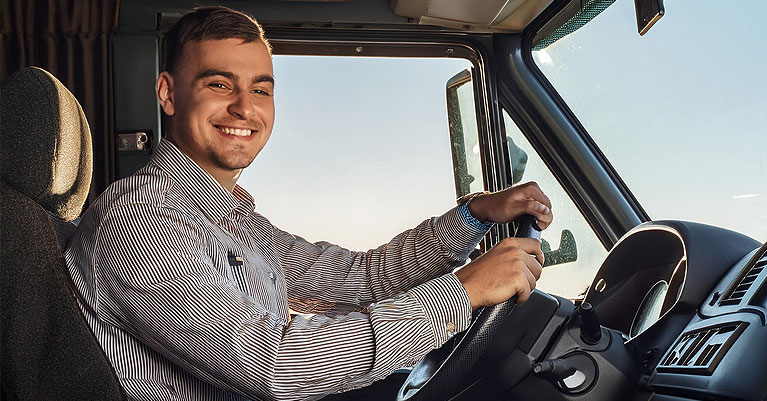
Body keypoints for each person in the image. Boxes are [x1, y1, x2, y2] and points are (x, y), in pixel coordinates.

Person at [65, 6, 553, 401]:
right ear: (169, 95)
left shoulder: (232, 219)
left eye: (260, 90)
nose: (244, 107)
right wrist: (463, 292)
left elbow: (361, 276)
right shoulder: (138, 217)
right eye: (219, 84)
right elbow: (278, 366)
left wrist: (474, 214)